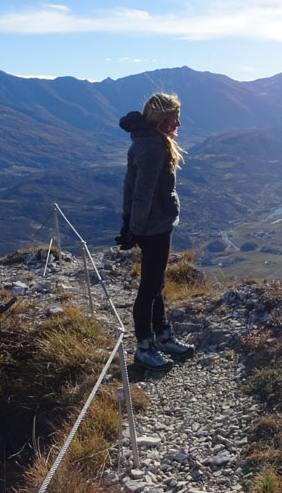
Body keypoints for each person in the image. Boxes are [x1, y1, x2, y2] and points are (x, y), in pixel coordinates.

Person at [117, 93, 196, 371]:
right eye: (174, 117)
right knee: (149, 288)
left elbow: (131, 186)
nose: (178, 123)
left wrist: (129, 224)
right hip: (154, 228)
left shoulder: (149, 142)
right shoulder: (152, 148)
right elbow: (142, 193)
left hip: (152, 225)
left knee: (156, 284)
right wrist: (134, 229)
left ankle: (162, 336)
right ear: (162, 119)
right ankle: (144, 347)